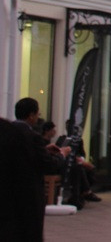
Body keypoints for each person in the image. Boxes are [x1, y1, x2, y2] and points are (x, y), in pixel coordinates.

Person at [10, 98, 70, 241]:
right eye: (37, 114)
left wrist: (43, 149)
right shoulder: (33, 136)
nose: (38, 117)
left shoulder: (8, 132)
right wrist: (62, 154)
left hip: (9, 190)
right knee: (30, 229)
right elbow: (48, 165)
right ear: (31, 115)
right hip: (29, 191)